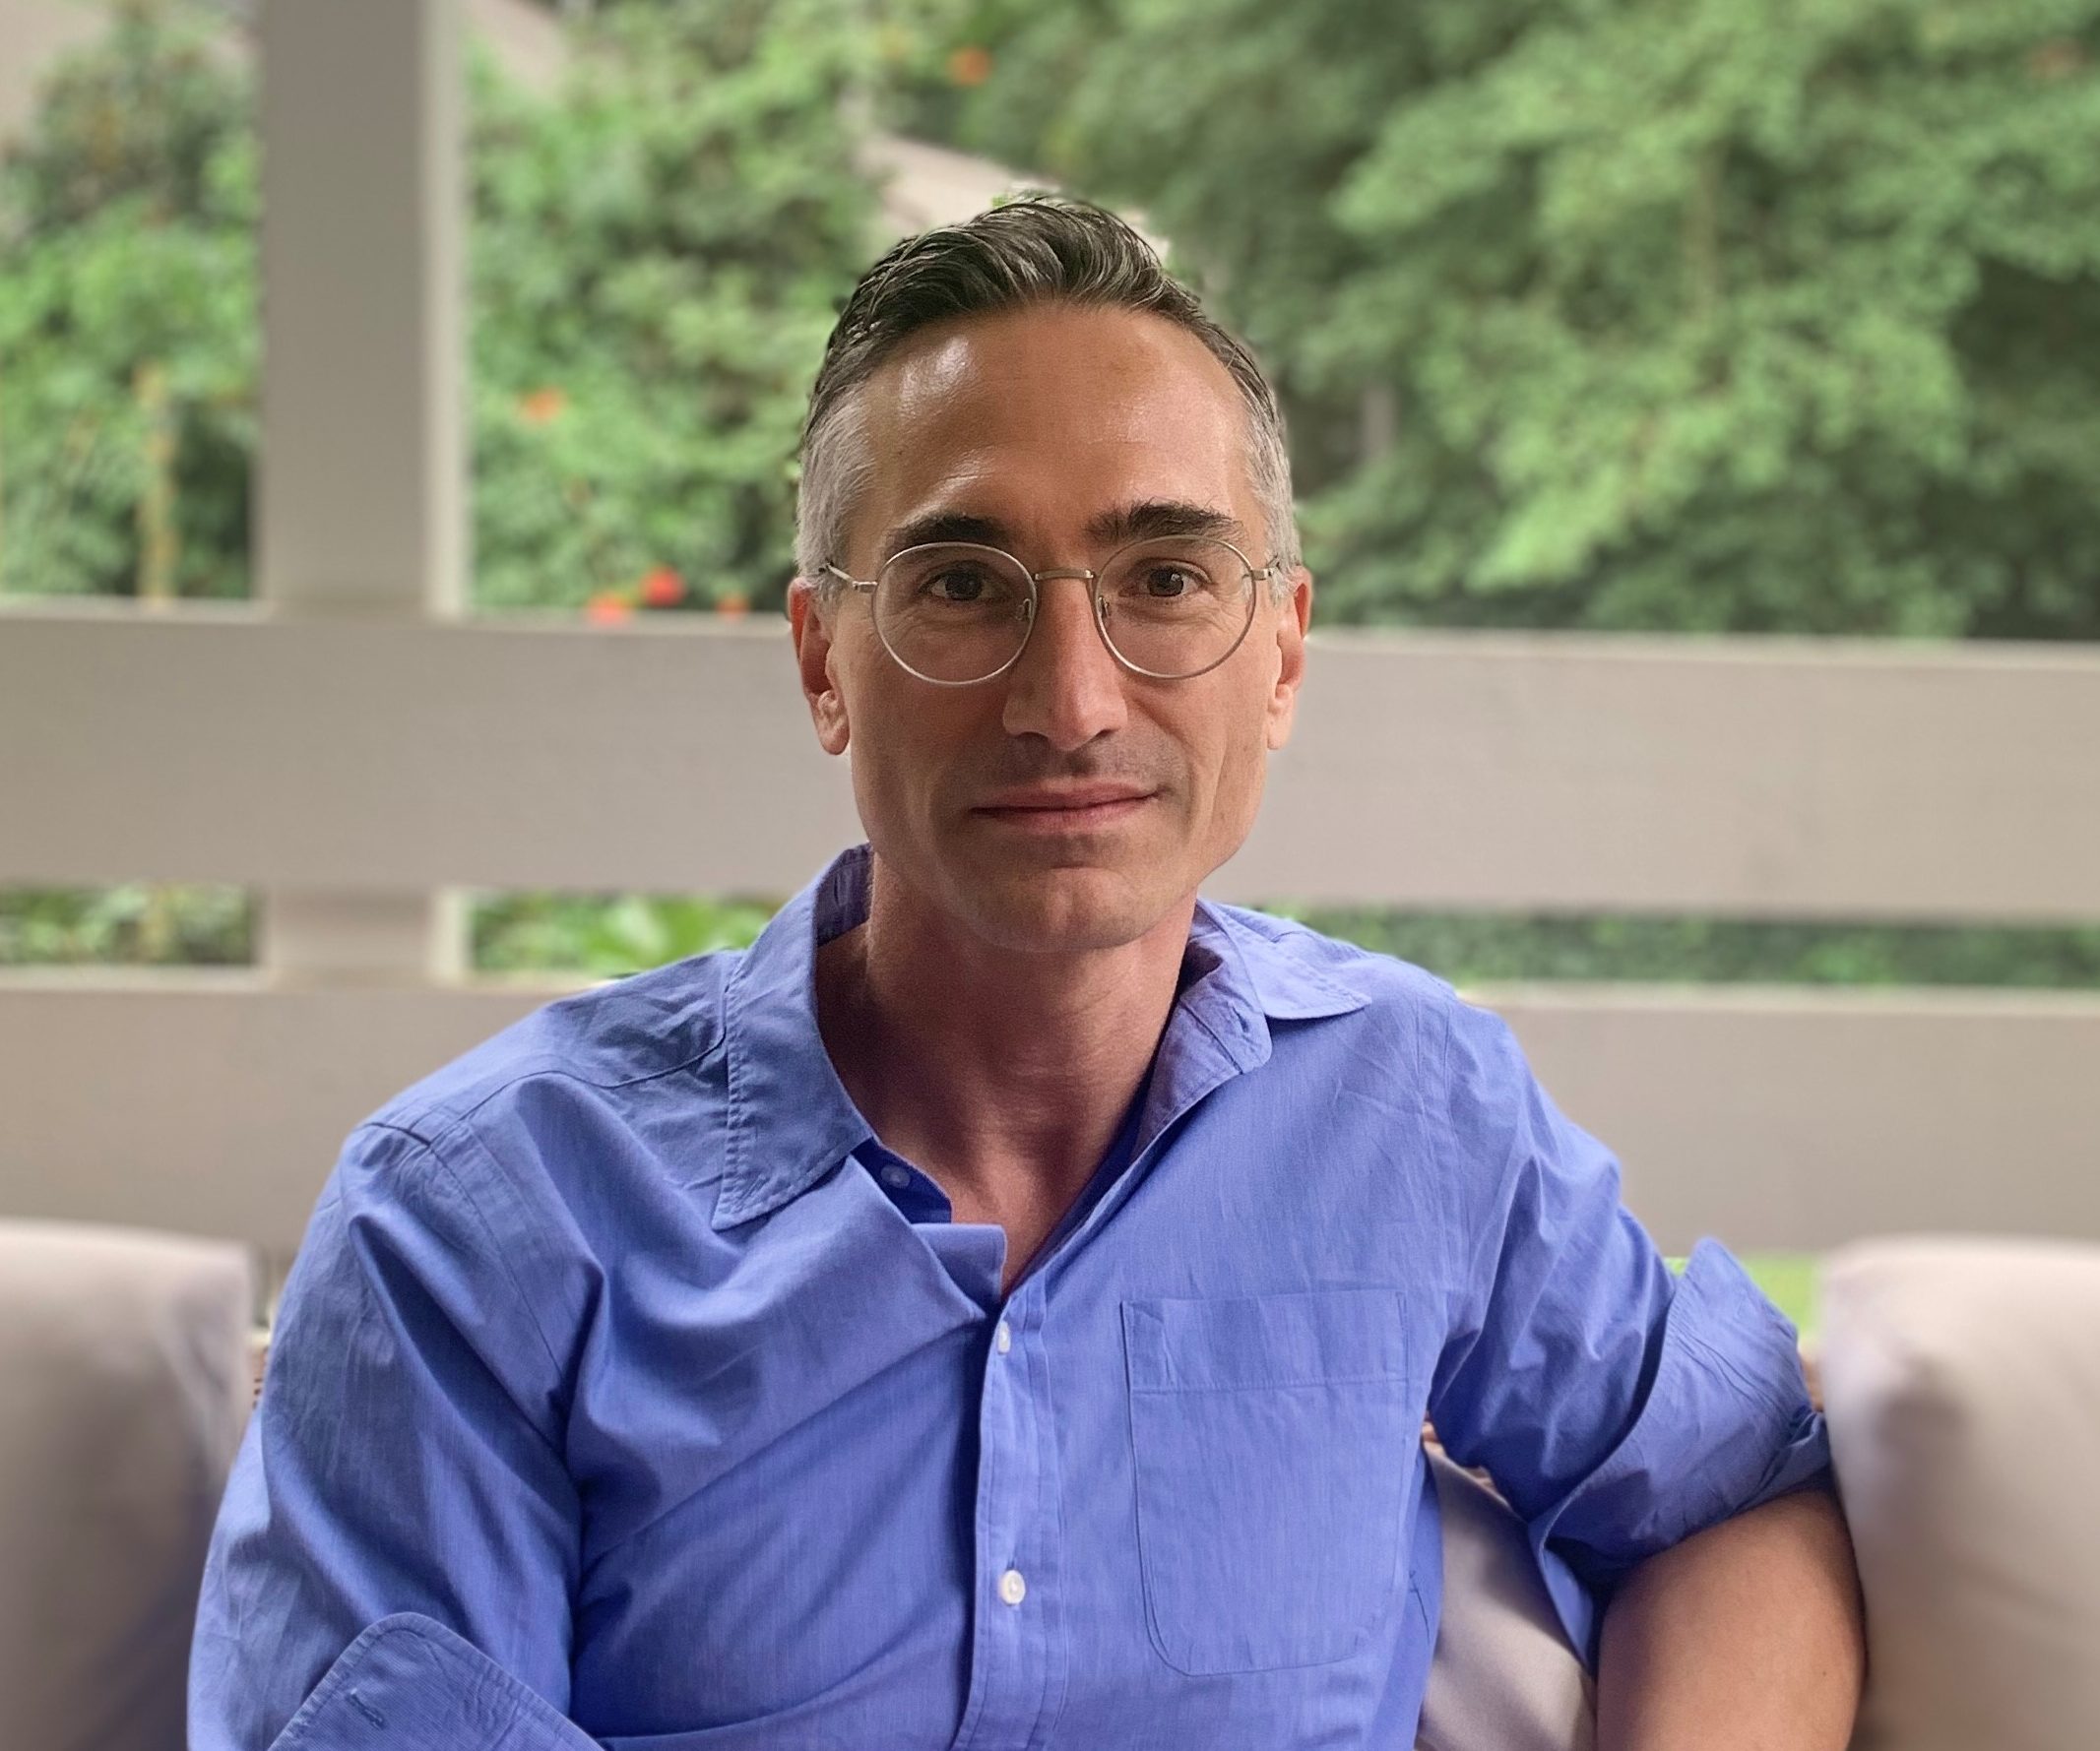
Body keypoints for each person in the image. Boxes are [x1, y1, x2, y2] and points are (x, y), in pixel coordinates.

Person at [190, 196, 1865, 1750]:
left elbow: (1735, 1496)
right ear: (819, 662)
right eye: (961, 585)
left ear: (1277, 655)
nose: (1068, 699)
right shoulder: (475, 1221)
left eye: (1164, 579)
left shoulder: (1415, 1110)